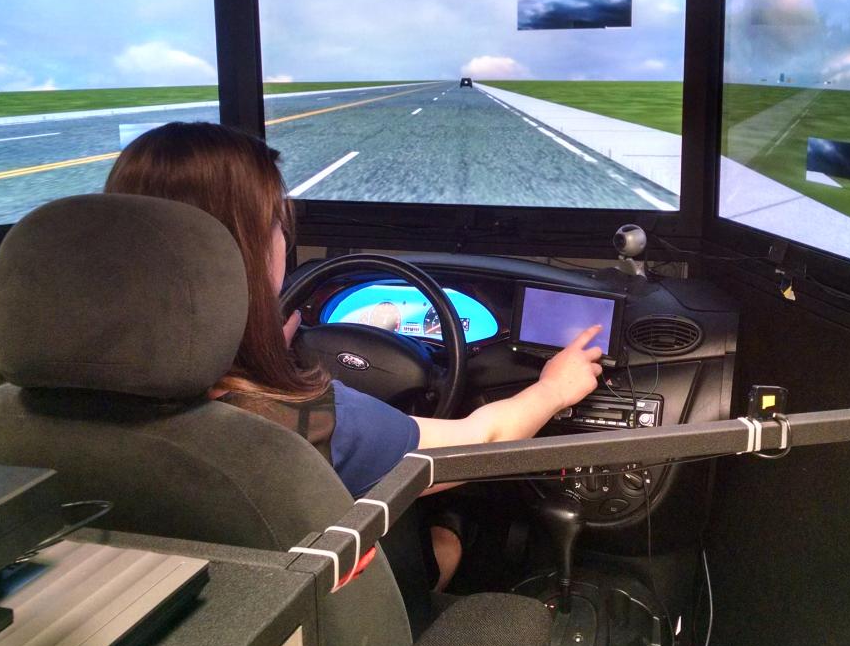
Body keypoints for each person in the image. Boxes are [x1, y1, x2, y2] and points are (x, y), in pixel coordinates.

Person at [104, 121, 603, 591]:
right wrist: (554, 389)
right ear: (248, 252)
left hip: (181, 594)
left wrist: (258, 346)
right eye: (277, 224)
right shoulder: (311, 422)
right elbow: (484, 440)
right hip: (331, 613)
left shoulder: (66, 395)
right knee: (455, 527)